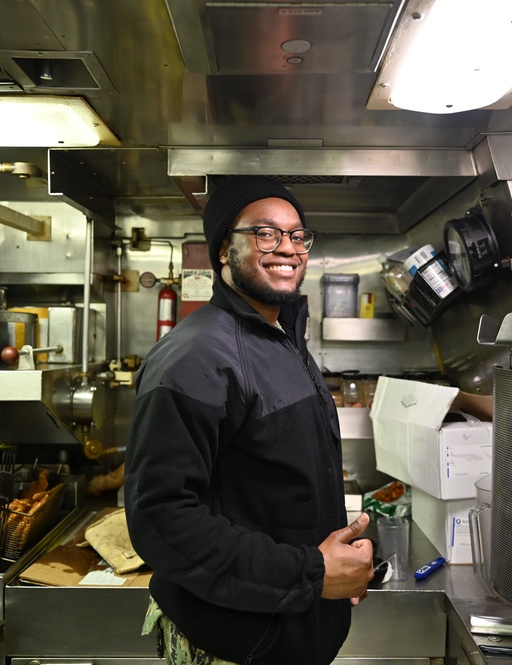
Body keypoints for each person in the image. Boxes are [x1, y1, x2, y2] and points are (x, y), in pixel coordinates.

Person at [124, 175, 374, 665]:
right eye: (266, 233)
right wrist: (312, 573)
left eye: (297, 235)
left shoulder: (283, 339)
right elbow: (162, 519)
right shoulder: (195, 357)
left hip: (290, 630)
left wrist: (334, 567)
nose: (288, 247)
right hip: (232, 644)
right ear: (224, 251)